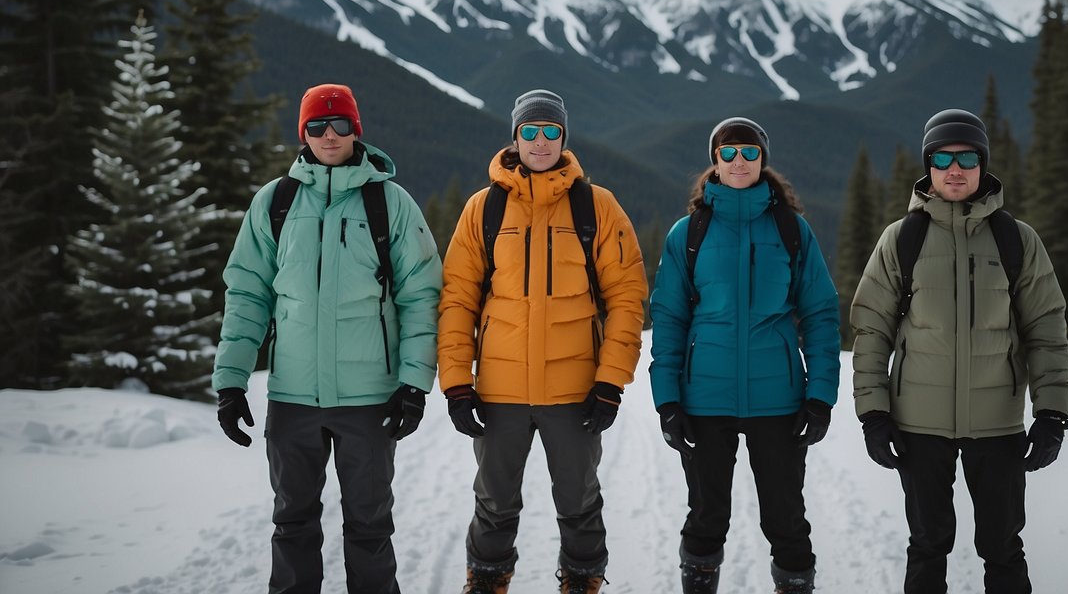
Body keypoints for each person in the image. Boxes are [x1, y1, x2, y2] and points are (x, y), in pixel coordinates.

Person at [212, 83, 443, 594]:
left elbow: (422, 297)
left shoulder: (390, 203)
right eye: (317, 125)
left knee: (370, 528)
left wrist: (414, 383)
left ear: (356, 129)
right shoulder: (275, 202)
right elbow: (247, 294)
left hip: (370, 399)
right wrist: (230, 381)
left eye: (340, 124)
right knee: (291, 524)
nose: (329, 134)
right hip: (293, 396)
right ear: (304, 133)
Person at [850, 108, 1068, 594]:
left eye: (966, 157)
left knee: (1003, 546)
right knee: (928, 544)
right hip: (918, 424)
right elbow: (872, 332)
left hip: (998, 423)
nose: (955, 168)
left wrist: (1052, 413)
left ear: (982, 165)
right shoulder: (902, 238)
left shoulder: (1017, 240)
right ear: (928, 166)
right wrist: (874, 414)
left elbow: (1046, 330)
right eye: (943, 158)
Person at [437, 89, 649, 594]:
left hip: (574, 389)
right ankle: (486, 581)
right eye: (529, 130)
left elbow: (626, 299)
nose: (539, 141)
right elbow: (457, 300)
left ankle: (582, 582)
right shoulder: (483, 209)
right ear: (515, 136)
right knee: (494, 501)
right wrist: (455, 383)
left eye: (550, 131)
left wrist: (610, 382)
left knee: (578, 501)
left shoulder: (596, 207)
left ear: (563, 138)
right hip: (499, 389)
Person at [648, 117, 841, 594]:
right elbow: (669, 318)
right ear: (714, 160)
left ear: (763, 160)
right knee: (707, 515)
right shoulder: (688, 232)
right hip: (705, 398)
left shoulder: (791, 231)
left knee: (786, 519)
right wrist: (667, 400)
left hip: (778, 399)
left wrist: (821, 396)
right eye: (728, 152)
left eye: (749, 152)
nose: (739, 161)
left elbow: (820, 314)